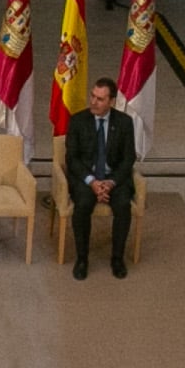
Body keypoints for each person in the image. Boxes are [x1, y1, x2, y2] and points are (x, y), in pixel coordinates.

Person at [63, 75, 138, 277]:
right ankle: (82, 259)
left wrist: (110, 183)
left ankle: (117, 259)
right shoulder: (78, 121)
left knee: (123, 206)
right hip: (86, 179)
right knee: (83, 206)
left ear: (111, 101)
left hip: (114, 178)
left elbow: (128, 158)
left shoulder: (124, 123)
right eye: (93, 96)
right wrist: (93, 182)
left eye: (100, 99)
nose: (94, 102)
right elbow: (72, 158)